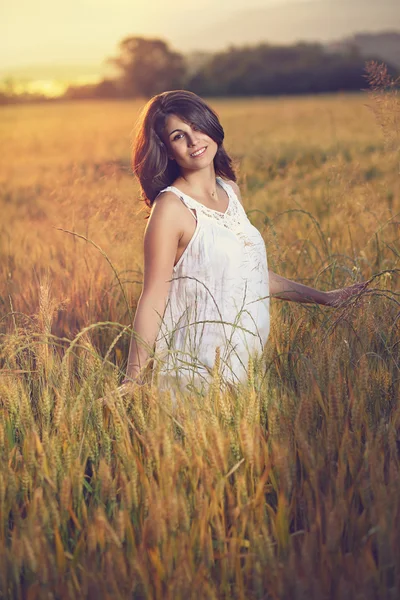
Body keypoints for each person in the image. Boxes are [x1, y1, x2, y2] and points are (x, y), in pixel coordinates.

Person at [120, 90, 366, 402]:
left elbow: (253, 275)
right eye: (179, 136)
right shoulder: (171, 208)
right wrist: (133, 378)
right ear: (167, 150)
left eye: (197, 127)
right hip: (196, 371)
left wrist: (326, 298)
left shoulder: (231, 192)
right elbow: (154, 294)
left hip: (245, 366)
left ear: (211, 127)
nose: (194, 141)